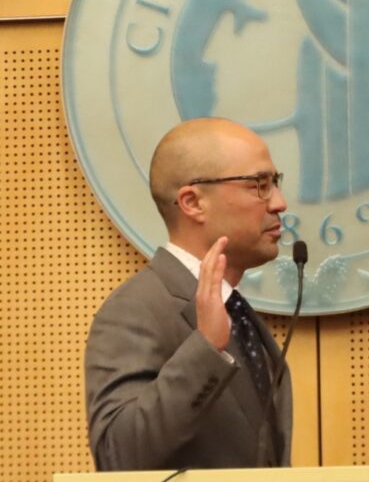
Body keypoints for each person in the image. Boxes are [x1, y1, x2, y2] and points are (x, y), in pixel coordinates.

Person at [85, 117, 292, 470]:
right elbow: (117, 455)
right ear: (193, 202)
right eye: (259, 185)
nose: (279, 203)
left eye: (275, 182)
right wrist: (206, 349)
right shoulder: (135, 309)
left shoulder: (237, 312)